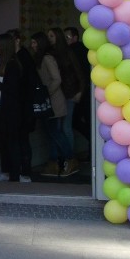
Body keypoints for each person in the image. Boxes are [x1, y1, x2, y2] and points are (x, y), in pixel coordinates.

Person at [0, 33, 30, 182]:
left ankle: (14, 175)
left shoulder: (12, 64)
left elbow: (11, 88)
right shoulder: (8, 63)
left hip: (11, 110)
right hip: (4, 108)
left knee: (11, 142)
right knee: (5, 141)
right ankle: (7, 172)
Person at [31, 32, 76, 178]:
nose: (32, 45)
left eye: (34, 42)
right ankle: (55, 163)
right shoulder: (42, 58)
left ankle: (69, 159)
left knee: (55, 132)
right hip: (51, 101)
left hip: (53, 101)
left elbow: (56, 79)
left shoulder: (47, 58)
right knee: (52, 133)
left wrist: (46, 93)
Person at [48, 26, 84, 174]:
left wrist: (80, 91)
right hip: (59, 94)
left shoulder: (67, 53)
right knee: (59, 127)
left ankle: (68, 159)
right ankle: (63, 159)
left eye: (51, 36)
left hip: (68, 93)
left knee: (64, 127)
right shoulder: (51, 54)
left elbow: (78, 73)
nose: (49, 39)